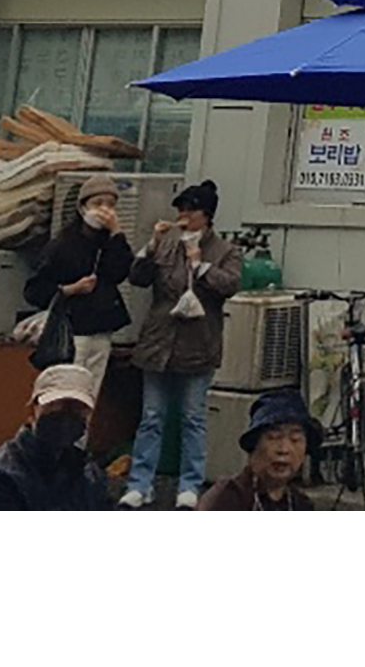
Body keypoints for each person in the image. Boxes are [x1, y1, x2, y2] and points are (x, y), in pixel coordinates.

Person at [121, 178, 242, 508]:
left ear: (207, 216)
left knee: (192, 418)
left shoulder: (226, 250)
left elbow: (230, 284)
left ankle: (190, 485)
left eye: (191, 211)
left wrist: (200, 265)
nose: (184, 217)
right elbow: (137, 277)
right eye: (181, 211)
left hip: (199, 344)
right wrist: (150, 245)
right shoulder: (167, 244)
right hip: (158, 341)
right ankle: (140, 483)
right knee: (151, 416)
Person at [25, 174, 133, 375]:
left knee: (92, 384)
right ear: (83, 207)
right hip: (71, 329)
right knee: (70, 380)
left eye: (110, 205)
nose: (104, 210)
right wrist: (69, 290)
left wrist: (117, 233)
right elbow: (34, 290)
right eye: (97, 203)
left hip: (101, 328)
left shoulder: (110, 242)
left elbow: (120, 272)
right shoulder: (62, 244)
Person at [0, 363, 114, 510]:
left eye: (78, 409)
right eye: (56, 406)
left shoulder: (91, 475)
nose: (66, 416)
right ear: (32, 410)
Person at [198, 388, 320, 510]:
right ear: (254, 447)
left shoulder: (301, 505)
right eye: (274, 437)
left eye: (295, 439)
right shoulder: (226, 498)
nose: (284, 450)